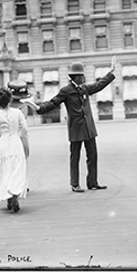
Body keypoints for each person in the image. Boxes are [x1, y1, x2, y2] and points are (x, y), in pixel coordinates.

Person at [22, 56, 116, 193]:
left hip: (89, 128)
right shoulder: (66, 91)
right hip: (76, 129)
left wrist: (111, 71)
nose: (83, 78)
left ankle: (92, 182)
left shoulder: (84, 88)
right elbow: (53, 103)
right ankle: (75, 184)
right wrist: (38, 108)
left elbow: (98, 85)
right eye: (81, 76)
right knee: (75, 157)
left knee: (93, 155)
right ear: (74, 77)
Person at [0, 88, 29, 212]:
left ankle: (8, 197)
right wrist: (20, 138)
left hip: (3, 144)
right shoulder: (17, 113)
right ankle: (15, 193)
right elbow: (25, 129)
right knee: (16, 169)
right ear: (10, 100)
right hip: (16, 143)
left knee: (4, 171)